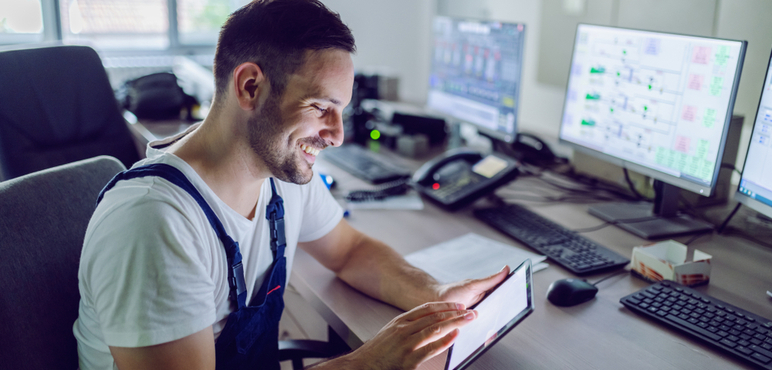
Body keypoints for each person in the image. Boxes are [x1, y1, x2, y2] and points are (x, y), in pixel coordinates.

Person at [73, 1, 509, 369]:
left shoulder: (282, 173)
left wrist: (437, 294)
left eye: (341, 111)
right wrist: (367, 362)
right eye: (321, 107)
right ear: (250, 86)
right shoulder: (154, 224)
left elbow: (350, 252)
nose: (337, 135)